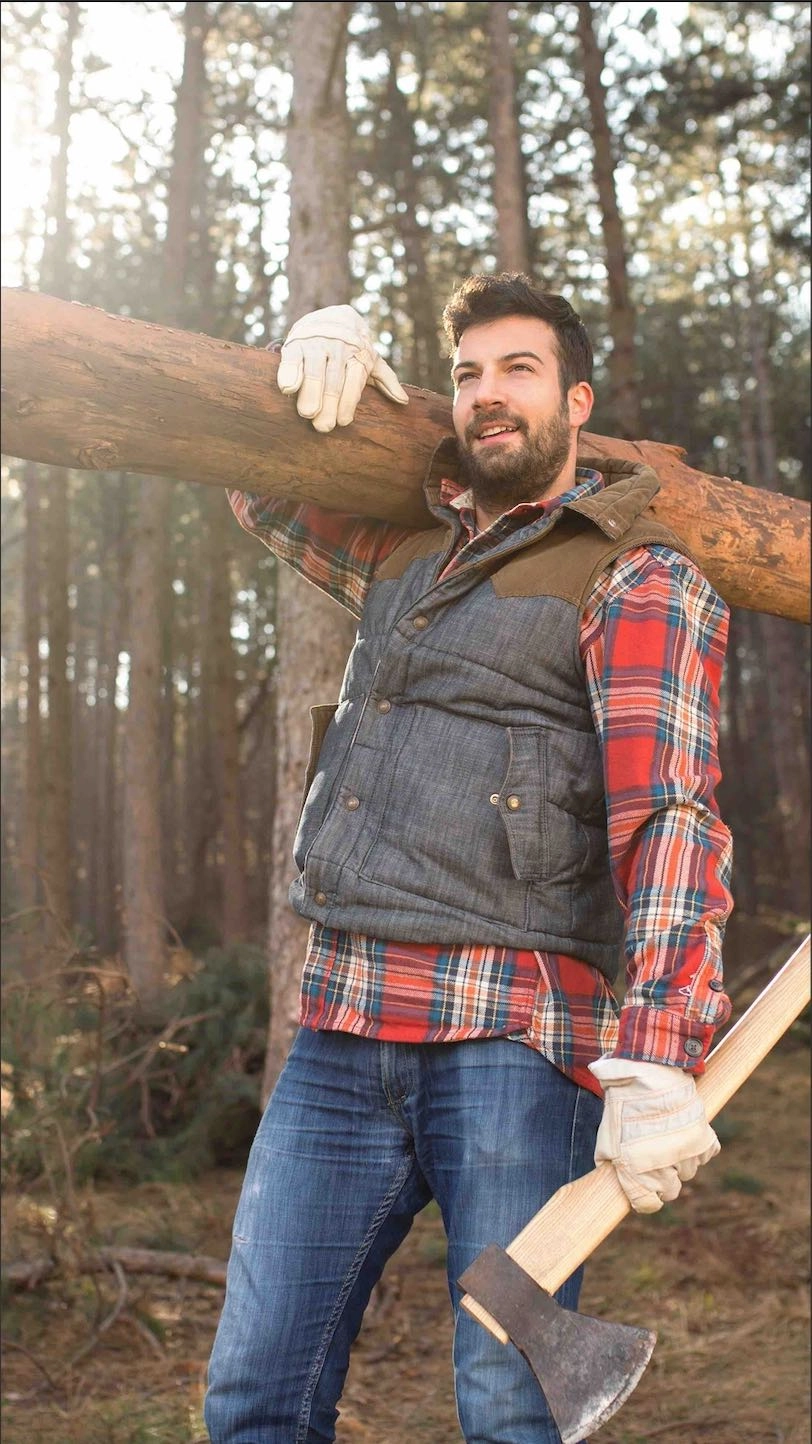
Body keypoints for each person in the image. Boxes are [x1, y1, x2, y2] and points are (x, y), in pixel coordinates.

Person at [204, 273, 732, 1444]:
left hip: (512, 1039)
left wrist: (655, 1053)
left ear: (576, 401)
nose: (485, 396)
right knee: (252, 1397)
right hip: (341, 1029)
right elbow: (261, 492)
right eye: (466, 374)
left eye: (518, 370)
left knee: (504, 1409)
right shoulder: (407, 555)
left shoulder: (634, 575)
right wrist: (301, 374)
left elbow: (670, 816)